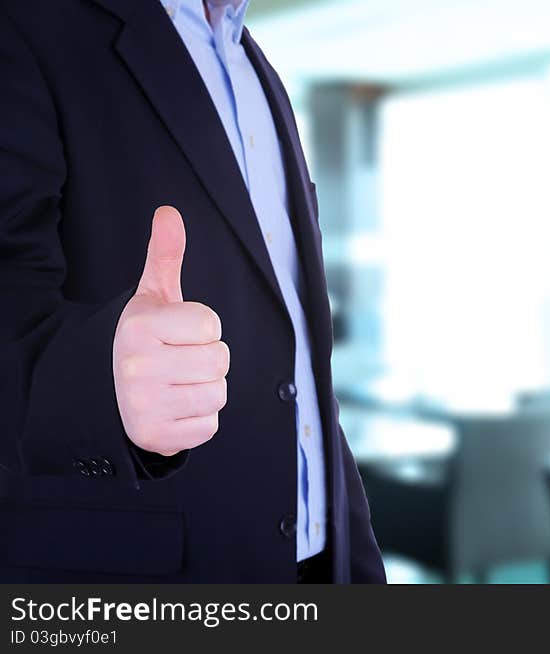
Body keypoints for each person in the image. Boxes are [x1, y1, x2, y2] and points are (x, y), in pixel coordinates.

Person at [0, 0, 386, 583]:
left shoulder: (259, 70)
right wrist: (99, 386)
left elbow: (304, 371)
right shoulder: (27, 24)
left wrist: (354, 558)